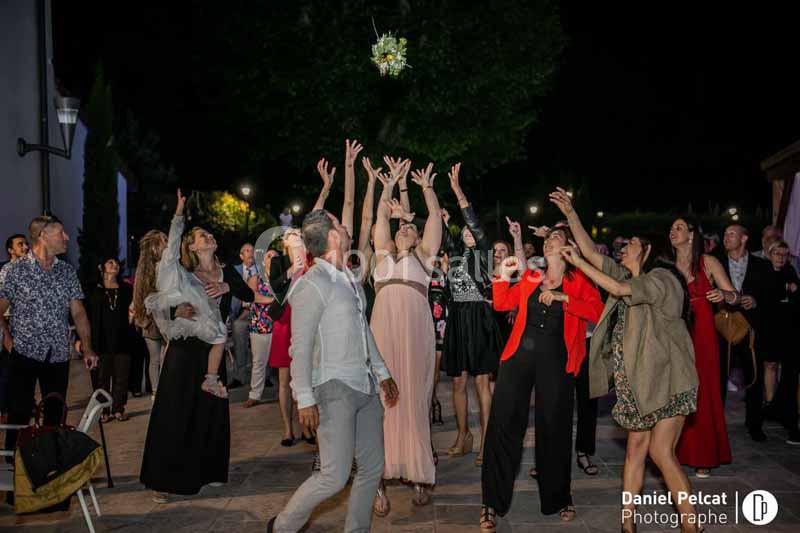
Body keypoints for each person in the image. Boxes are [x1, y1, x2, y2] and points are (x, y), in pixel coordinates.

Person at [550, 188, 701, 533]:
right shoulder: (626, 275)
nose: (624, 246)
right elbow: (591, 251)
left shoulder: (663, 280)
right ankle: (627, 524)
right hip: (637, 385)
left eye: (632, 243)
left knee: (662, 453)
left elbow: (618, 291)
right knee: (634, 449)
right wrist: (572, 214)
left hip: (668, 382)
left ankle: (692, 527)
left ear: (648, 251)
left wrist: (578, 264)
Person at [266, 209, 399, 533]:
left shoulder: (348, 278)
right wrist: (304, 398)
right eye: (340, 224)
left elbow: (361, 329)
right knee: (334, 475)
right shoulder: (313, 283)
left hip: (364, 387)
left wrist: (382, 373)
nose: (345, 226)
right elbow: (299, 344)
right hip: (332, 387)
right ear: (333, 236)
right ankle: (282, 527)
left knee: (372, 467)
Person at [479, 226, 603, 530]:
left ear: (568, 248)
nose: (549, 241)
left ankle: (559, 497)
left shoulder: (580, 281)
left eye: (556, 238)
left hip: (557, 361)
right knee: (503, 425)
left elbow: (599, 312)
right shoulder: (533, 276)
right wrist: (501, 276)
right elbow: (502, 303)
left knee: (555, 428)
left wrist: (563, 297)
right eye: (547, 239)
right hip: (518, 357)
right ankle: (492, 503)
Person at [140, 190, 254, 502]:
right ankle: (163, 479)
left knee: (210, 412)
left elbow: (248, 293)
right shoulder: (182, 273)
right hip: (185, 349)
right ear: (189, 245)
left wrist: (229, 285)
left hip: (212, 350)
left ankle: (209, 471)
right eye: (201, 234)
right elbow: (159, 303)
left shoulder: (225, 270)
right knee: (176, 413)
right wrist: (179, 211)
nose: (209, 235)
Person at [370, 158, 443, 510]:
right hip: (382, 333)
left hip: (415, 334)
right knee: (382, 403)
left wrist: (426, 188)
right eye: (401, 229)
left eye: (409, 230)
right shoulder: (381, 254)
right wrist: (389, 184)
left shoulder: (426, 258)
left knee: (413, 400)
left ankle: (419, 475)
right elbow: (382, 218)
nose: (404, 231)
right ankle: (378, 481)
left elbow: (434, 220)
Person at [0, 215, 99, 455]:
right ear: (43, 235)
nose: (66, 237)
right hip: (23, 354)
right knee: (19, 413)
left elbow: (78, 312)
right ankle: (16, 470)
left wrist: (87, 347)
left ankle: (50, 468)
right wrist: (9, 341)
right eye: (60, 233)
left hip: (57, 355)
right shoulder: (14, 271)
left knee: (55, 416)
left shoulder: (66, 271)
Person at [442, 163, 504, 469]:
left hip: (478, 316)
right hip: (457, 318)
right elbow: (443, 237)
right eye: (464, 229)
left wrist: (457, 191)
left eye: (472, 229)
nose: (468, 232)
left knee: (482, 383)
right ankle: (463, 436)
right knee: (457, 383)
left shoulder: (484, 251)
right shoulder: (455, 254)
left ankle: (486, 441)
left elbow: (472, 220)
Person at [669, 217, 736, 477]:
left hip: (702, 332)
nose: (673, 232)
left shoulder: (708, 262)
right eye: (672, 228)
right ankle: (672, 451)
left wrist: (724, 295)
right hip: (674, 330)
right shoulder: (666, 266)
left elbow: (734, 296)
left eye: (679, 228)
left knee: (702, 388)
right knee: (674, 389)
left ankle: (703, 454)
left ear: (692, 234)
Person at [718, 224, 774, 441]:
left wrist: (756, 300)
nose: (726, 237)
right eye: (725, 234)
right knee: (720, 376)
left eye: (731, 234)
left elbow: (772, 295)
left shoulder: (761, 265)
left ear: (744, 238)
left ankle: (754, 424)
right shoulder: (717, 262)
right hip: (723, 327)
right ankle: (717, 424)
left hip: (750, 329)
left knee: (754, 377)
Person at [762, 240, 800, 444]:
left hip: (790, 331)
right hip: (770, 329)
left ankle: (782, 411)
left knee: (789, 374)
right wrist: (786, 289)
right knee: (770, 364)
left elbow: (796, 294)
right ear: (770, 254)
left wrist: (791, 289)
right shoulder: (764, 271)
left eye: (784, 254)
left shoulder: (790, 271)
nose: (781, 257)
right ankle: (770, 404)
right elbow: (766, 295)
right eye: (777, 253)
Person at [89, 257, 134, 422]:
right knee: (102, 378)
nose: (115, 265)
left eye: (116, 263)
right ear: (101, 267)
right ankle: (103, 411)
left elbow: (134, 310)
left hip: (123, 338)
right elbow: (87, 316)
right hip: (101, 341)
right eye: (110, 263)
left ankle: (118, 409)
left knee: (122, 377)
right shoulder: (95, 290)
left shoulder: (127, 289)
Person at [132, 230, 168, 399]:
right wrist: (143, 319)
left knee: (165, 358)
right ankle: (156, 392)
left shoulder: (167, 265)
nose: (167, 243)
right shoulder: (144, 269)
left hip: (167, 319)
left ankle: (165, 390)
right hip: (151, 321)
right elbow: (139, 296)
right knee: (155, 360)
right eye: (164, 240)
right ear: (155, 246)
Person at [243, 250, 276, 409]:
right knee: (259, 362)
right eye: (269, 256)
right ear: (264, 261)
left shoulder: (283, 279)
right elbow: (252, 296)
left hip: (279, 326)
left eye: (275, 256)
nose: (273, 258)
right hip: (260, 326)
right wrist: (272, 300)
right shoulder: (256, 278)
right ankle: (254, 395)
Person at [229, 242, 258, 390]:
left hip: (258, 312)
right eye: (246, 251)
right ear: (241, 256)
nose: (250, 252)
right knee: (239, 345)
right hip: (240, 313)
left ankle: (262, 378)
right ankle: (239, 376)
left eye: (252, 250)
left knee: (258, 346)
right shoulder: (234, 271)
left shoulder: (262, 269)